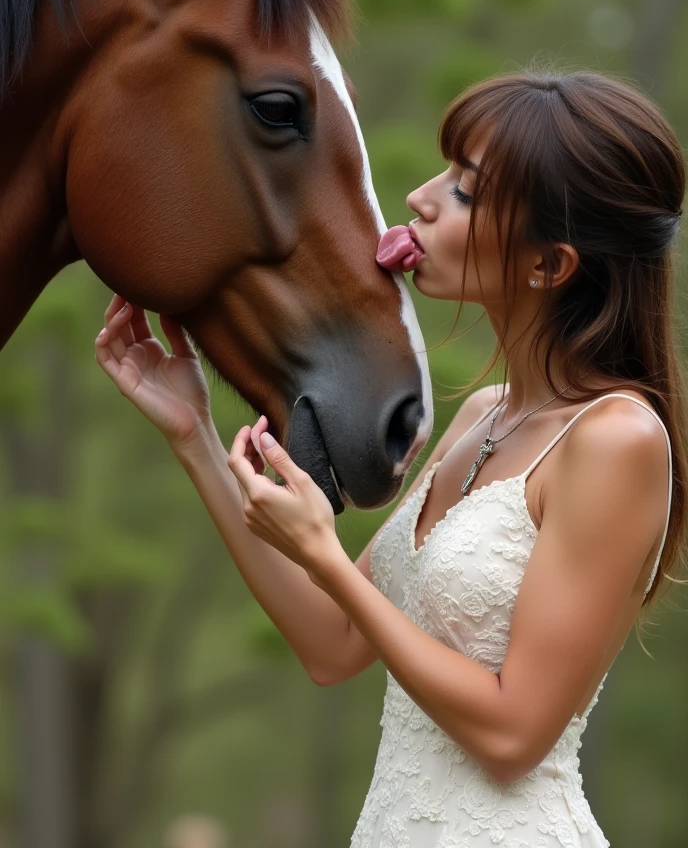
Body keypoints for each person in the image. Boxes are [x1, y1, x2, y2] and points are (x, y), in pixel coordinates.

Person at [95, 69, 686, 847]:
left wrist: (326, 557)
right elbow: (332, 645)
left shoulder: (618, 439)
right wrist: (195, 436)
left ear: (550, 265)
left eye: (467, 194)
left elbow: (514, 737)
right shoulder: (483, 415)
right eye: (445, 171)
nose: (420, 198)